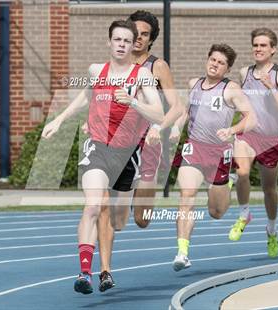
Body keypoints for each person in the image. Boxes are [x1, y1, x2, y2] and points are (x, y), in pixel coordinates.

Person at [41, 20, 164, 294]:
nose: (121, 45)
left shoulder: (142, 76)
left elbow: (158, 114)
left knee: (116, 219)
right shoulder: (97, 70)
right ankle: (84, 272)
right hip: (97, 147)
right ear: (109, 42)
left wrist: (133, 101)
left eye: (126, 41)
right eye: (117, 40)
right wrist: (59, 120)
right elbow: (85, 97)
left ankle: (106, 270)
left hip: (127, 154)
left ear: (134, 45)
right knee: (95, 205)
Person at [92, 10, 183, 291]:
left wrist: (165, 127)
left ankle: (134, 194)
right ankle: (105, 270)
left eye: (145, 34)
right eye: (136, 33)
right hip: (116, 144)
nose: (139, 38)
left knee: (141, 219)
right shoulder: (116, 64)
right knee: (114, 219)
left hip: (149, 145)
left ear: (151, 38)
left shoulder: (157, 67)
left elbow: (177, 106)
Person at [171, 43, 256, 271]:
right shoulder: (194, 84)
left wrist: (232, 130)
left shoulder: (231, 89)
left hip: (219, 153)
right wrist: (176, 128)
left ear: (226, 69)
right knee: (186, 195)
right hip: (195, 147)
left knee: (216, 212)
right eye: (213, 60)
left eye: (221, 63)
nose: (215, 65)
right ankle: (182, 251)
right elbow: (186, 112)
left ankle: (227, 184)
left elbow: (251, 118)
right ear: (207, 59)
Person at [228, 28, 278, 259]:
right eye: (255, 44)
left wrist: (269, 87)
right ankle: (244, 214)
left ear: (273, 49)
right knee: (242, 172)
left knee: (269, 190)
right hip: (248, 134)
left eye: (263, 45)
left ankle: (271, 230)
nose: (258, 49)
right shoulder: (244, 73)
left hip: (271, 140)